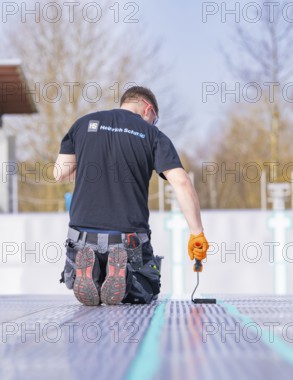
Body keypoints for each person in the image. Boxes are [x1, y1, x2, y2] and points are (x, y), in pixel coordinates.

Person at [54, 86, 209, 306]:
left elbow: (59, 173)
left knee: (85, 280)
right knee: (147, 288)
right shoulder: (152, 135)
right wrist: (197, 234)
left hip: (81, 237)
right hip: (128, 241)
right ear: (148, 109)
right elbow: (182, 182)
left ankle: (88, 272)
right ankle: (124, 277)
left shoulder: (83, 124)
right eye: (154, 120)